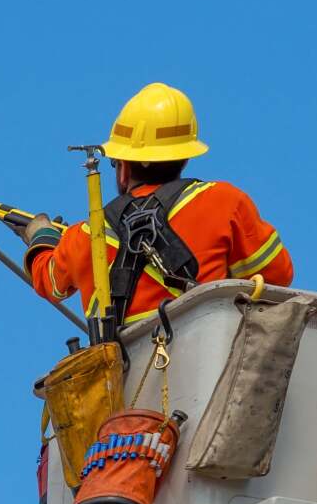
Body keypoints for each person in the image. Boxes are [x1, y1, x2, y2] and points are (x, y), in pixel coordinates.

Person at [20, 82, 292, 326]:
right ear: (185, 156)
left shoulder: (88, 235)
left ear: (123, 167)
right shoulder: (225, 202)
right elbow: (277, 275)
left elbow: (48, 281)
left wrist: (42, 235)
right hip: (212, 363)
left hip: (130, 377)